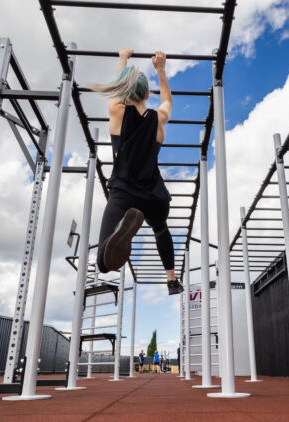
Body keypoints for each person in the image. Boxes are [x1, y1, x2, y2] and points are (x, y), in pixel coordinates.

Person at [90, 48, 183, 295]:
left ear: (124, 91)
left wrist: (122, 58)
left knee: (102, 261)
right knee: (161, 228)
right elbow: (168, 102)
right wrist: (161, 71)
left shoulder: (117, 110)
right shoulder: (159, 118)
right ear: (147, 93)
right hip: (155, 195)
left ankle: (121, 235)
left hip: (124, 191)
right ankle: (172, 279)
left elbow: (119, 86)